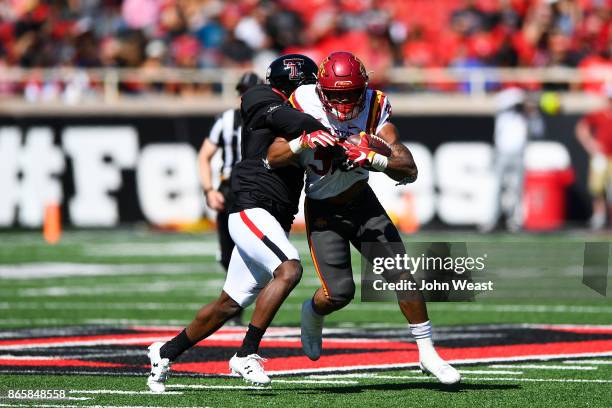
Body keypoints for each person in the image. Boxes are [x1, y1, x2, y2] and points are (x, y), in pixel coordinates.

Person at [266, 51, 461, 385]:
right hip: (323, 206)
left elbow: (409, 167)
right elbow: (273, 156)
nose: (344, 103)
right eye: (337, 95)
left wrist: (373, 158)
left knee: (402, 274)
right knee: (338, 294)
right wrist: (303, 141)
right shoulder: (302, 101)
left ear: (364, 88)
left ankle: (428, 352)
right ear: (321, 88)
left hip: (361, 201)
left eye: (351, 94)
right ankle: (312, 313)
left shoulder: (374, 105)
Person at [147, 54, 334, 391]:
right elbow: (293, 122)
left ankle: (165, 351)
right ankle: (246, 353)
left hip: (274, 213)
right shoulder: (261, 97)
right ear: (298, 83)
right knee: (289, 269)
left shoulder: (304, 113)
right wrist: (324, 129)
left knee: (229, 303)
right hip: (251, 206)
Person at [198, 71, 262, 325]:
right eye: (243, 91)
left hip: (258, 189)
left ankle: (252, 310)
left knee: (261, 254)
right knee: (227, 255)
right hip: (230, 187)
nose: (245, 97)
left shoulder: (272, 117)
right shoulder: (226, 119)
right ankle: (236, 304)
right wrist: (208, 189)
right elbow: (204, 155)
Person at [481, 87, 528, 232]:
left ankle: (514, 220)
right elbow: (507, 103)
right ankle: (492, 219)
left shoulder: (522, 116)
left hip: (519, 154)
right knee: (495, 187)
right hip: (502, 153)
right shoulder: (503, 112)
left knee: (516, 189)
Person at [576, 85, 612, 230]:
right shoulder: (599, 113)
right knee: (596, 187)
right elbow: (581, 128)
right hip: (601, 155)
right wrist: (591, 145)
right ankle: (599, 215)